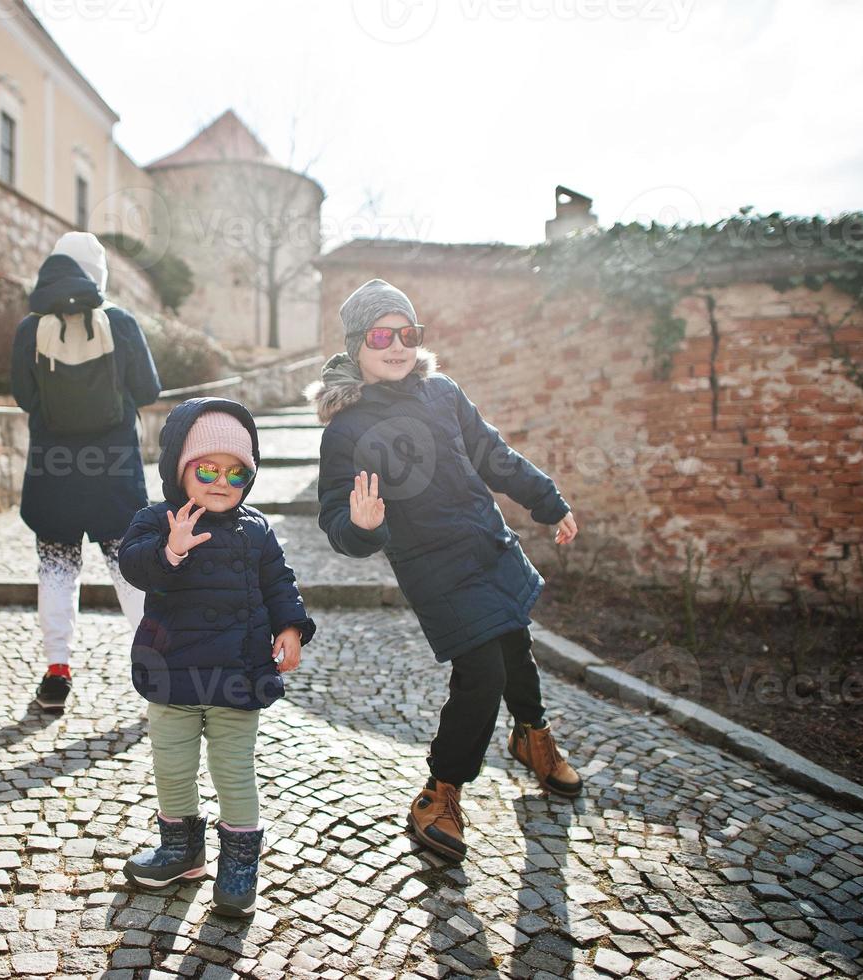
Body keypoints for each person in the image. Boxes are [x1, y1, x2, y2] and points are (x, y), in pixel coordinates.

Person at [306, 279, 582, 863]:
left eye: (408, 333)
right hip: (434, 567)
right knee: (481, 672)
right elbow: (338, 519)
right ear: (358, 343)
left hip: (487, 542)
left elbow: (493, 454)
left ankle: (533, 737)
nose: (397, 345)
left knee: (515, 642)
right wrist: (359, 524)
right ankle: (440, 792)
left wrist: (547, 501)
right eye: (382, 334)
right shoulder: (346, 428)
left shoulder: (442, 393)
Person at [116, 398, 315, 916]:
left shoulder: (257, 530)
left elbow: (280, 583)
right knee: (173, 768)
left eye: (236, 472)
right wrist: (170, 551)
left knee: (233, 771)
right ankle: (182, 851)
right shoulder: (156, 520)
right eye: (207, 468)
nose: (221, 480)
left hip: (238, 675)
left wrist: (291, 626)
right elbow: (134, 566)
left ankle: (240, 863)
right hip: (171, 674)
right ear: (180, 468)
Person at [10, 232, 161, 711]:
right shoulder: (120, 322)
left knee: (56, 568)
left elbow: (24, 397)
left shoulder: (28, 329)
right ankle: (156, 671)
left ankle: (56, 673)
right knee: (129, 569)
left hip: (53, 469)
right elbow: (150, 389)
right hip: (113, 468)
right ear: (98, 272)